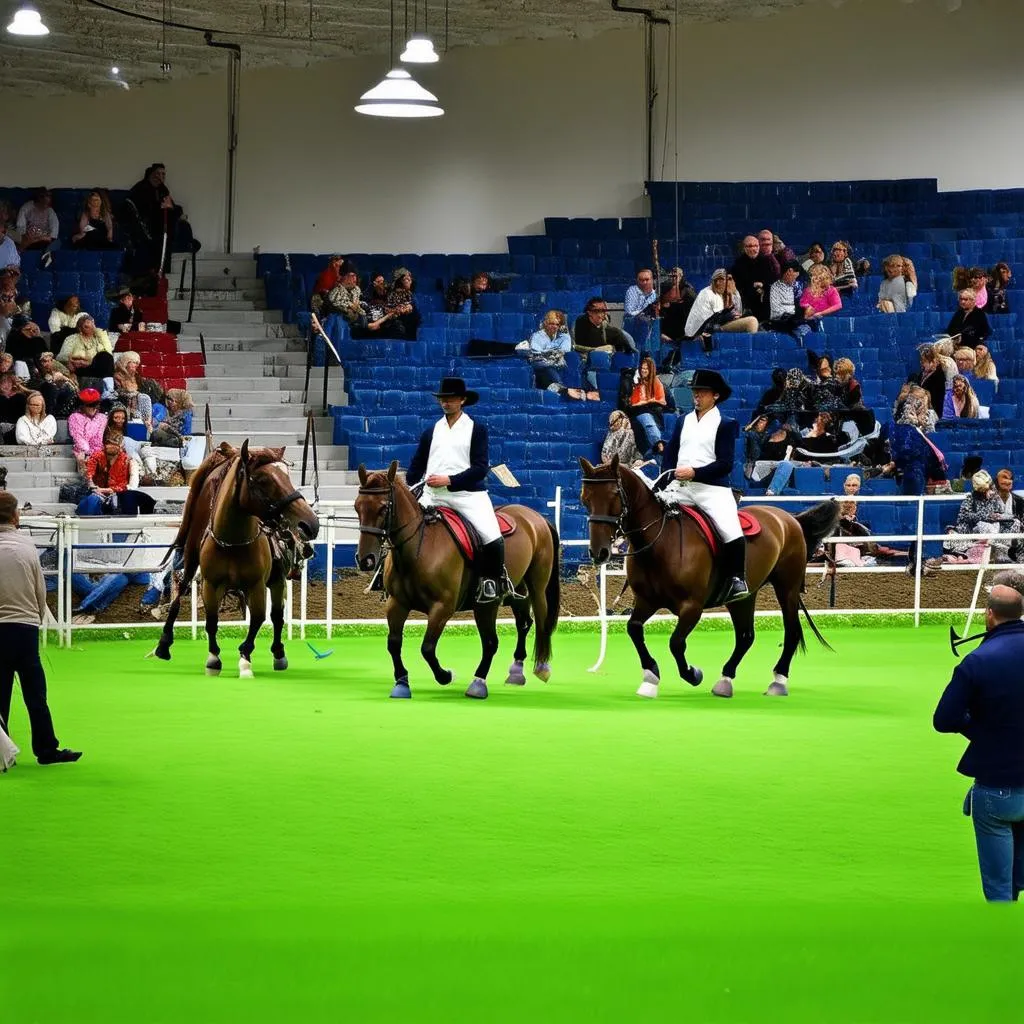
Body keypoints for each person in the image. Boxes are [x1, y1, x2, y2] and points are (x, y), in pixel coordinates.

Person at [933, 584, 1024, 902]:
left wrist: (983, 730)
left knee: (999, 885)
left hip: (997, 786)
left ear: (989, 614)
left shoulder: (977, 661)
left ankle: (999, 944)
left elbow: (944, 720)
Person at [0, 490, 82, 765]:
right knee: (35, 694)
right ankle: (46, 749)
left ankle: (4, 753)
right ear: (16, 516)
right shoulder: (27, 547)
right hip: (25, 629)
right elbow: (39, 593)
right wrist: (34, 619)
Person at [406, 377, 505, 604]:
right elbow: (417, 465)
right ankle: (386, 576)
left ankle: (492, 581)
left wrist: (449, 480)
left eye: (450, 399)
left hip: (468, 496)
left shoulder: (476, 429)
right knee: (402, 526)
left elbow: (481, 468)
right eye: (443, 399)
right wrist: (409, 486)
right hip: (433, 497)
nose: (446, 403)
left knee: (492, 536)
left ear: (462, 400)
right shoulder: (431, 432)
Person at [658, 369, 747, 602]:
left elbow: (725, 464)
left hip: (712, 489)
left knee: (729, 528)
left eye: (701, 392)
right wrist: (665, 479)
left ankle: (738, 578)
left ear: (715, 395)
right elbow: (670, 454)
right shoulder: (682, 421)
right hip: (680, 487)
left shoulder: (726, 424)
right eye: (695, 392)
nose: (696, 396)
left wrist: (695, 472)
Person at [628, 355, 667, 454]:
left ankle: (657, 444)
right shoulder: (637, 384)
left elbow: (662, 401)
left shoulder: (656, 382)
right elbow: (633, 403)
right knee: (643, 418)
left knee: (647, 418)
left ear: (651, 370)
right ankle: (658, 444)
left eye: (646, 369)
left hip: (652, 412)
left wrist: (647, 401)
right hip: (638, 412)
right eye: (642, 368)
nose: (643, 370)